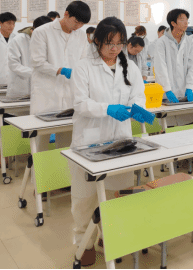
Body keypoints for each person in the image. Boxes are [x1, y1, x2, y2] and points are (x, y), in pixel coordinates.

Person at [69, 17, 154, 266]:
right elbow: (80, 103)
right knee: (85, 199)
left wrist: (138, 108)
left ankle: (108, 235)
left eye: (119, 43)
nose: (115, 48)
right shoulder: (83, 67)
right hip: (89, 140)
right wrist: (107, 108)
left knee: (117, 193)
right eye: (109, 43)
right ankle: (83, 242)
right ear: (97, 41)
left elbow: (138, 94)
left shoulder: (130, 67)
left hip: (120, 139)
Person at [30, 1, 91, 150]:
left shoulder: (81, 36)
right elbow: (37, 62)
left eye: (82, 24)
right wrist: (60, 70)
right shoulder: (42, 32)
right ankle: (37, 166)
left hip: (70, 93)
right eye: (76, 21)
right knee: (40, 142)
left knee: (66, 142)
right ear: (66, 14)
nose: (78, 26)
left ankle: (63, 166)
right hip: (46, 93)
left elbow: (84, 60)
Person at [153, 9, 193, 103]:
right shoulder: (161, 42)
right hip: (166, 93)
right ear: (173, 23)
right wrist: (167, 89)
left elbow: (192, 66)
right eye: (182, 20)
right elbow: (160, 67)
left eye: (187, 20)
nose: (186, 23)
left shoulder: (190, 42)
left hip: (185, 92)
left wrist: (190, 86)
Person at [6, 16, 52, 99]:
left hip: (41, 89)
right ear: (32, 30)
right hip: (21, 89)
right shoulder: (18, 40)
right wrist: (34, 73)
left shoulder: (48, 41)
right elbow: (13, 64)